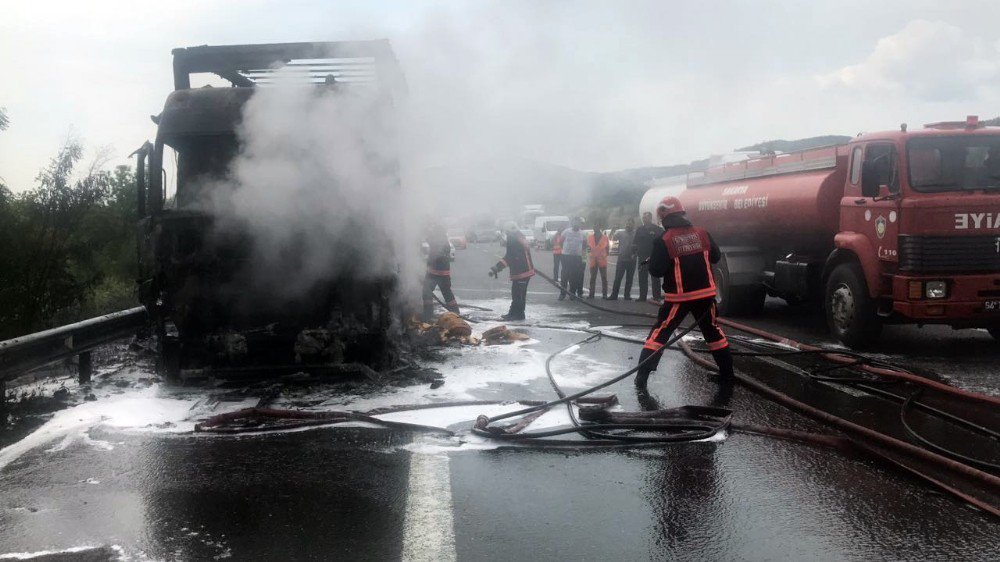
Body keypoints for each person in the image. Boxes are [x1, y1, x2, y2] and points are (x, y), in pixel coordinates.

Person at [635, 196, 734, 391]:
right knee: (713, 332)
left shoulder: (664, 240)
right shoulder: (703, 233)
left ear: (663, 218)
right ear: (682, 213)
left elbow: (656, 271)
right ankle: (727, 376)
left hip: (679, 298)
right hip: (706, 296)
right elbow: (715, 256)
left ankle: (641, 378)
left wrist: (656, 258)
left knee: (660, 333)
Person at [489, 222, 535, 321]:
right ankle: (513, 313)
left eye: (506, 232)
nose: (506, 234)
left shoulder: (512, 239)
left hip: (521, 272)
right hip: (524, 270)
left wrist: (497, 267)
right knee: (517, 293)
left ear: (509, 231)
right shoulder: (519, 236)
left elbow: (509, 257)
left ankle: (518, 315)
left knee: (519, 295)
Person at [422, 224, 460, 321]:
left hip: (435, 272)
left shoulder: (437, 240)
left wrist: (429, 262)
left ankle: (428, 314)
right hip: (443, 272)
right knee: (447, 293)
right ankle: (456, 312)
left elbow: (434, 252)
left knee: (426, 291)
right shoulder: (443, 239)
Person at [634, 211, 664, 303]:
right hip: (642, 257)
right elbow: (635, 243)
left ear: (650, 218)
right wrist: (634, 253)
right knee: (642, 277)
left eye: (646, 217)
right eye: (643, 217)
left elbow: (662, 241)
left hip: (653, 257)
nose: (644, 219)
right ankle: (642, 297)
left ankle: (657, 296)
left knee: (655, 277)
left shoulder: (657, 229)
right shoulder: (639, 230)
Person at [608, 217, 637, 300]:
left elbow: (639, 244)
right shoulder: (620, 233)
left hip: (632, 260)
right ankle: (614, 295)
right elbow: (611, 238)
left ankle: (627, 295)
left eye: (630, 223)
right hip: (621, 259)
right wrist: (613, 230)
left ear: (633, 225)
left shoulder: (636, 233)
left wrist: (636, 253)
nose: (628, 225)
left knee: (629, 279)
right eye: (627, 223)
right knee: (617, 278)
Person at [557, 218, 586, 300]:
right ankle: (562, 293)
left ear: (580, 224)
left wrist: (584, 259)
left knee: (574, 276)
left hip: (577, 257)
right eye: (575, 222)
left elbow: (584, 247)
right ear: (572, 223)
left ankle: (572, 293)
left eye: (578, 223)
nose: (576, 224)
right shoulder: (566, 232)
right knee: (565, 275)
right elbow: (560, 242)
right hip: (566, 256)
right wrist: (565, 251)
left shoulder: (583, 234)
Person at [586, 222, 609, 299]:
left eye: (596, 225)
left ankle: (604, 294)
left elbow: (607, 248)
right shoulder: (589, 237)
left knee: (604, 278)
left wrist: (604, 256)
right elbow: (588, 248)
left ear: (599, 227)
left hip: (602, 260)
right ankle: (591, 294)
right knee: (592, 278)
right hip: (593, 260)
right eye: (594, 225)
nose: (595, 227)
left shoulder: (605, 237)